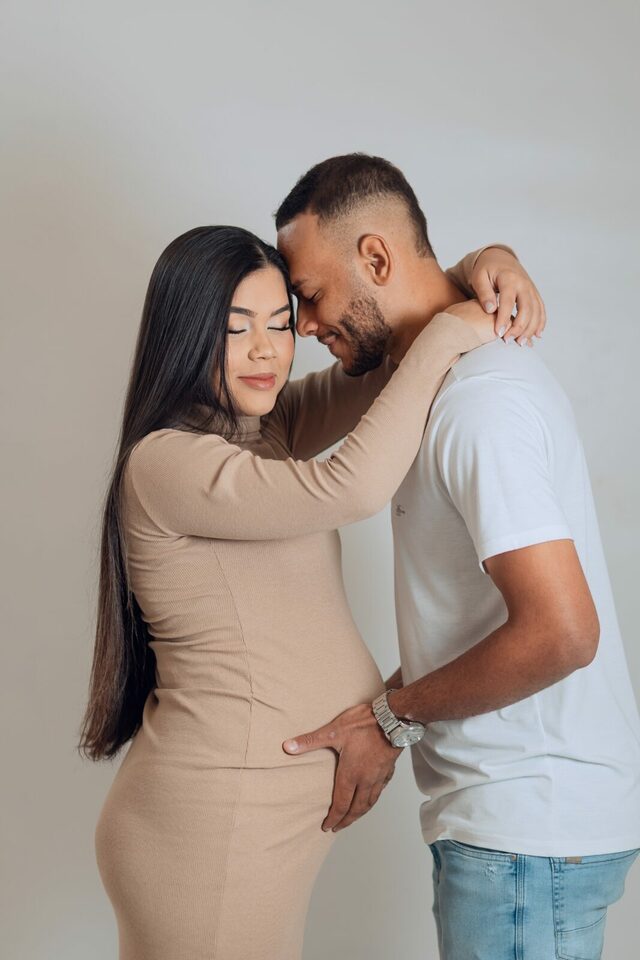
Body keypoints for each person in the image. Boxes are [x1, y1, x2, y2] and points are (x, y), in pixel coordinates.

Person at [79, 223, 542, 960]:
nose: (267, 350)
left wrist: (486, 263)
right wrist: (457, 327)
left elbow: (384, 363)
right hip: (211, 828)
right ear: (185, 335)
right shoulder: (165, 464)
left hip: (245, 818)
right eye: (237, 329)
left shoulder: (264, 429)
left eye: (280, 323)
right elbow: (350, 486)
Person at [277, 153, 640, 960]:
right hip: (521, 835)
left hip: (526, 834)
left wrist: (391, 717)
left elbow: (561, 633)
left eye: (310, 295)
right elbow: (486, 625)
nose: (302, 325)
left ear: (376, 259)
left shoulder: (480, 402)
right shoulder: (442, 384)